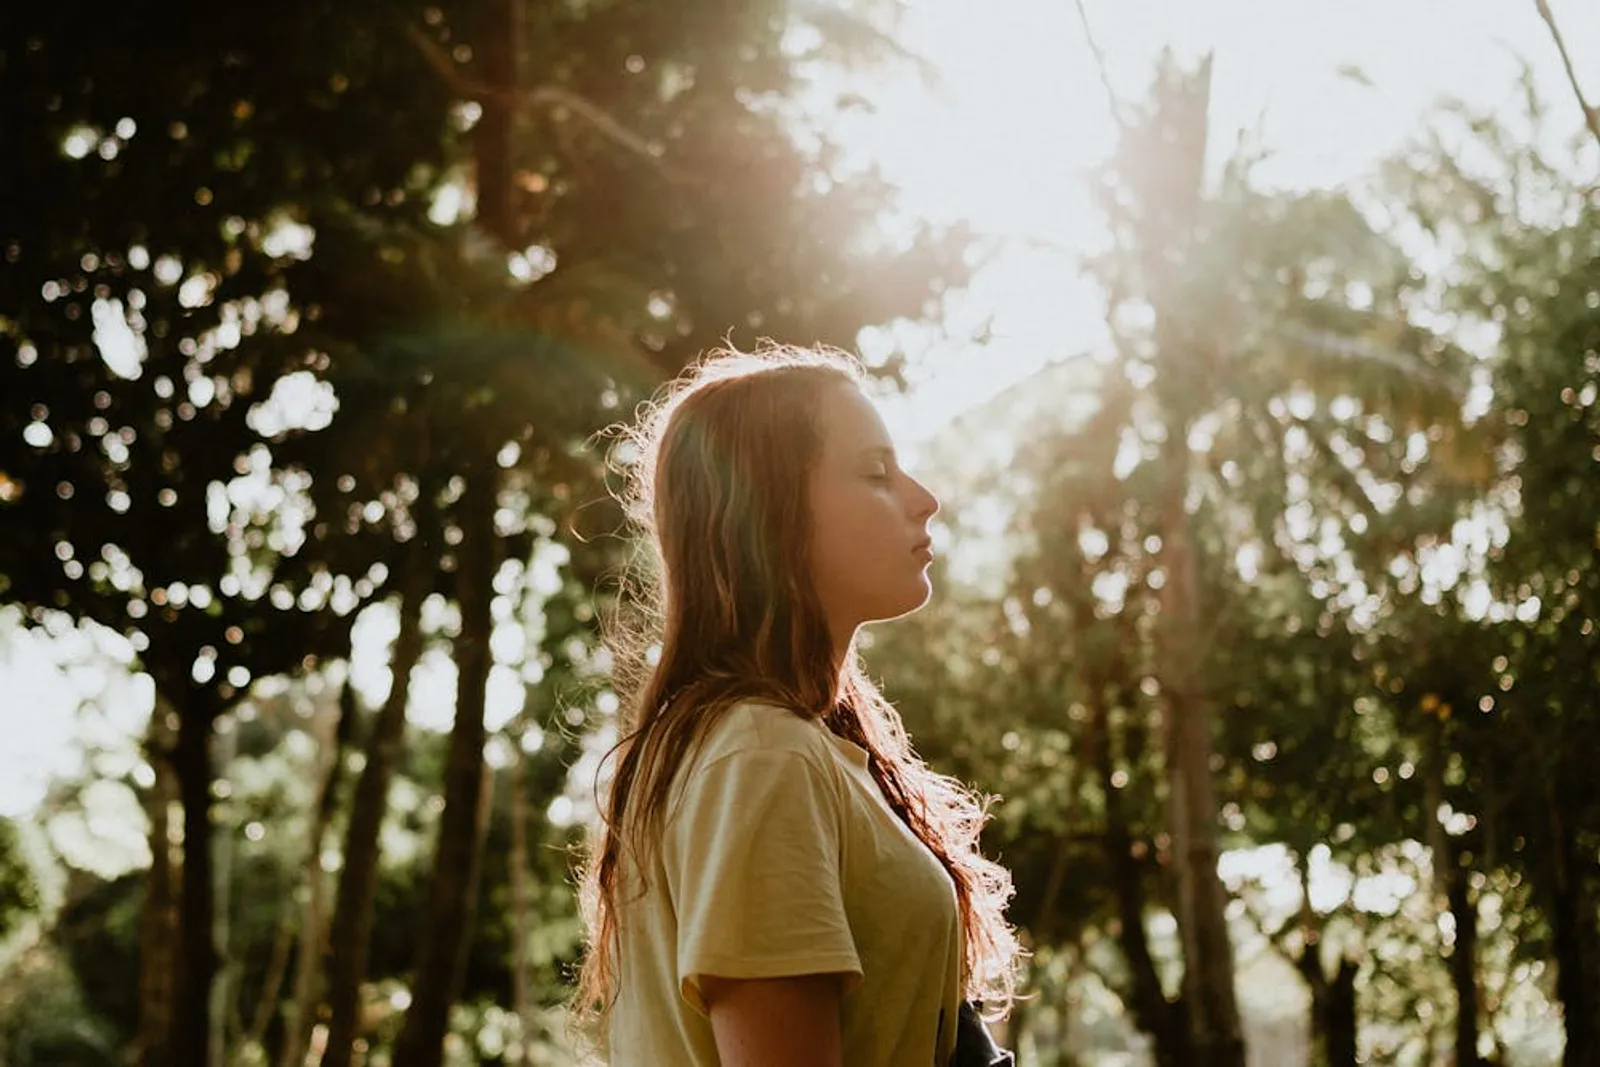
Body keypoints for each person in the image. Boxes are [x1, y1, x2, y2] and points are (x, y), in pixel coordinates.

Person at [573, 344, 1020, 1067]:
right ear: (769, 513)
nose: (923, 497)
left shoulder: (791, 747)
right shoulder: (760, 755)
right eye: (876, 472)